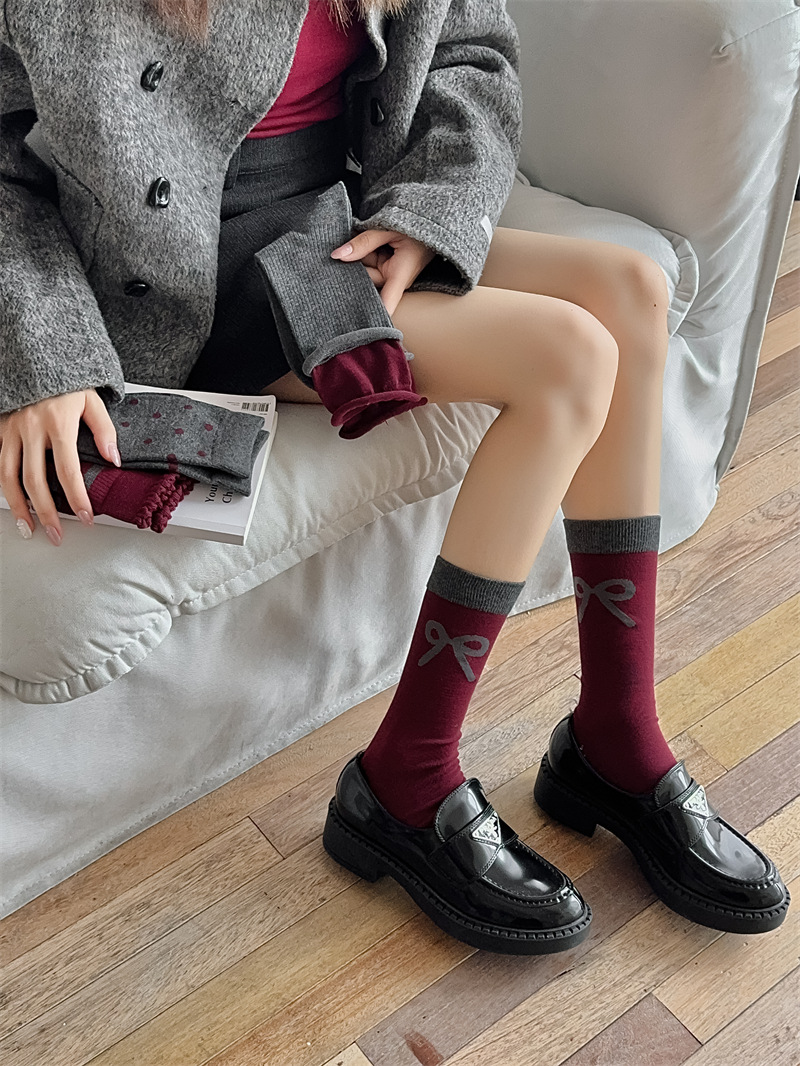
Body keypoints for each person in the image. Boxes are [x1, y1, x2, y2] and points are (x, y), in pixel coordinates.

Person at [0, 0, 788, 955]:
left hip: (333, 226)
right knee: (569, 359)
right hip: (191, 279)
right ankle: (404, 777)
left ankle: (614, 735)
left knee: (633, 290)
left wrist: (425, 214)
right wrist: (45, 362)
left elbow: (470, 51)